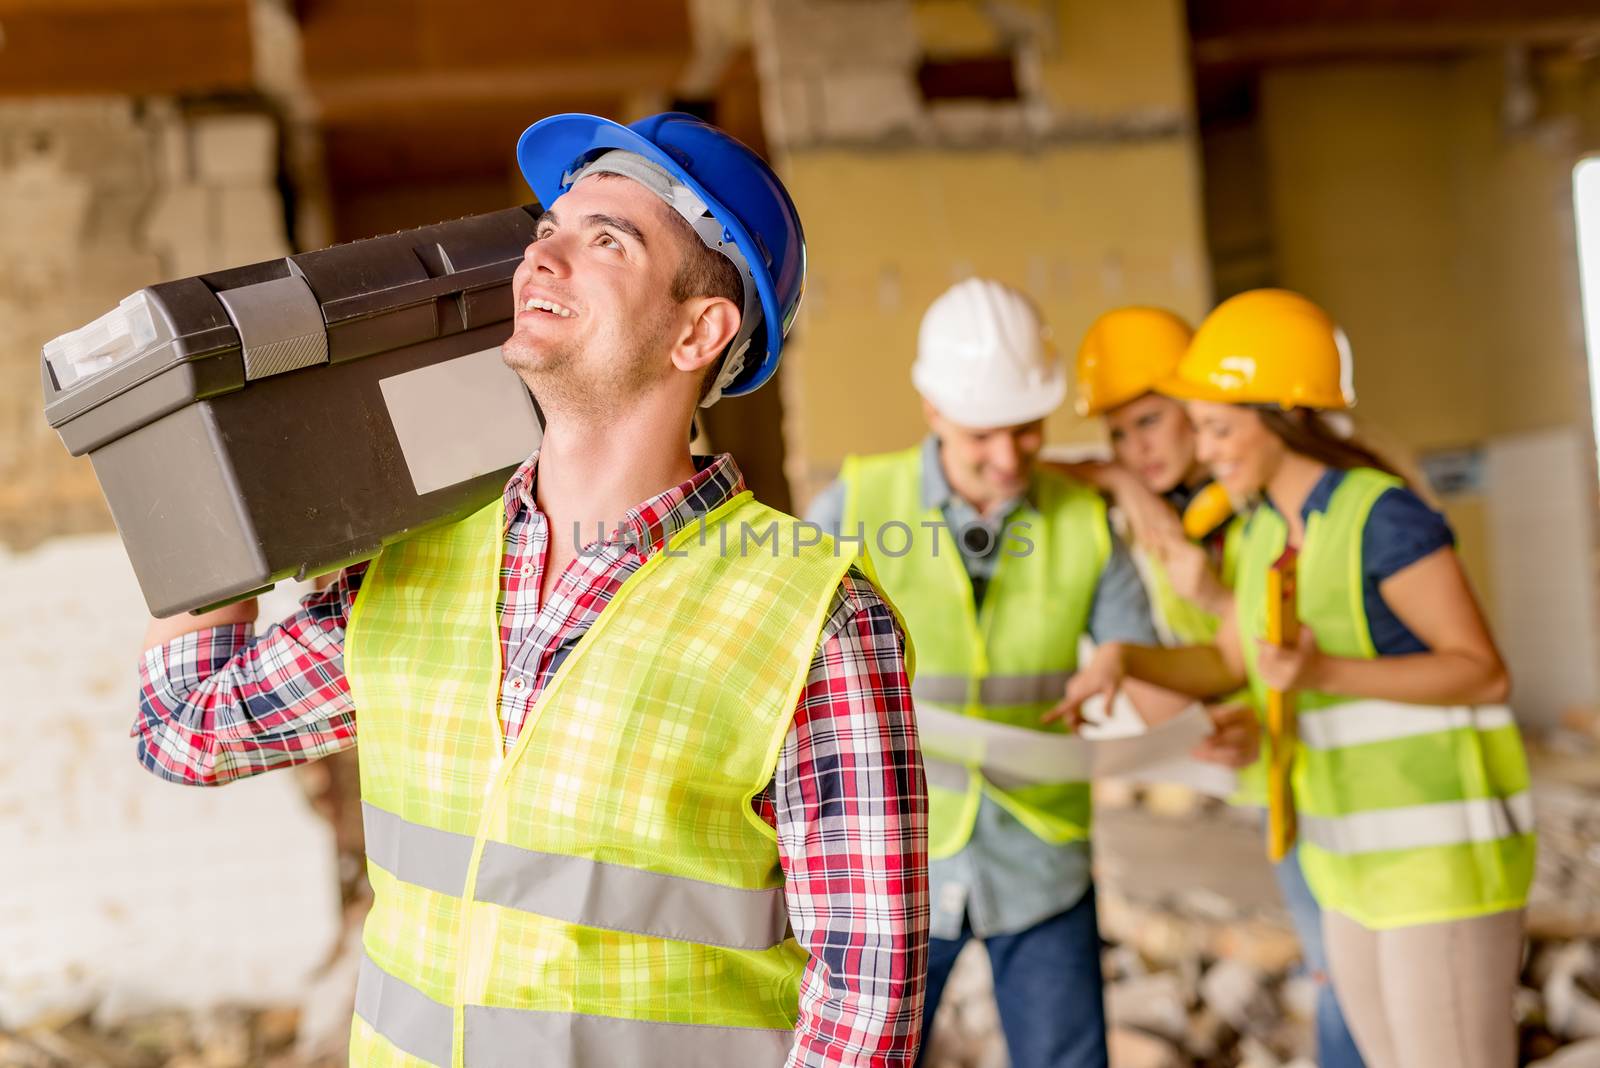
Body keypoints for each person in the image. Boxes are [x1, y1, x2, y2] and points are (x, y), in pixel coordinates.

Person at [135, 112, 929, 1068]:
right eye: (549, 226)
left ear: (698, 331)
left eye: (607, 240)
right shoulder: (410, 561)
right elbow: (186, 731)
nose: (543, 256)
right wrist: (201, 477)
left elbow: (865, 1007)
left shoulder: (814, 618)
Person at [1056, 289, 1535, 1068]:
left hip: (1440, 860)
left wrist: (1321, 671)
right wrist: (1123, 660)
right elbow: (1231, 661)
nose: (1203, 451)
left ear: (1278, 415)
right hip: (1347, 856)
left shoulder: (1380, 515)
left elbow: (1483, 675)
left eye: (1216, 427)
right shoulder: (1266, 531)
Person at [806, 278, 1255, 1068]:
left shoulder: (1081, 519)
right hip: (892, 857)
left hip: (1040, 856)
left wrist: (1188, 731)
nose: (1009, 458)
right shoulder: (858, 503)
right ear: (934, 409)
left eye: (1027, 431)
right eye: (985, 436)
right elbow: (790, 667)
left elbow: (1139, 666)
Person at [1070, 305, 1366, 1068]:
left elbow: (1280, 646)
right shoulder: (1180, 512)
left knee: (1345, 970)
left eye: (1151, 424)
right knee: (1336, 961)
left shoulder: (1257, 507)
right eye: (1118, 437)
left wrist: (1212, 608)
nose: (1136, 451)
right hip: (1269, 764)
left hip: (1327, 763)